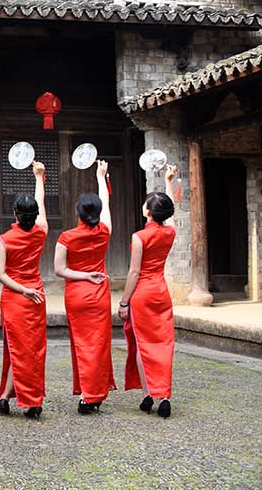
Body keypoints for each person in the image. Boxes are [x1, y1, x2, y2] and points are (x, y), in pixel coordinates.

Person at [54, 160, 116, 414]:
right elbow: (106, 204)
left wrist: (83, 275)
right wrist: (101, 177)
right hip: (100, 292)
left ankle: (88, 394)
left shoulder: (66, 237)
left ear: (78, 213)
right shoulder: (105, 231)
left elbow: (59, 270)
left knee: (82, 344)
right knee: (99, 344)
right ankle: (95, 392)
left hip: (78, 293)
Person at [119, 164, 178, 419]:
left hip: (142, 293)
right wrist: (168, 181)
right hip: (161, 292)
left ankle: (147, 394)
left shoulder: (139, 237)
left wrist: (123, 302)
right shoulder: (170, 232)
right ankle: (164, 396)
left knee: (143, 344)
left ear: (148, 212)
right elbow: (171, 214)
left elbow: (134, 272)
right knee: (163, 344)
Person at [0, 161, 48, 419]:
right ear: (34, 216)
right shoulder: (41, 233)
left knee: (18, 348)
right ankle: (27, 399)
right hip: (35, 294)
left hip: (15, 297)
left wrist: (21, 290)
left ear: (15, 214)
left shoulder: (4, 241)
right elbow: (42, 207)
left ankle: (9, 397)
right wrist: (38, 178)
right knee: (32, 350)